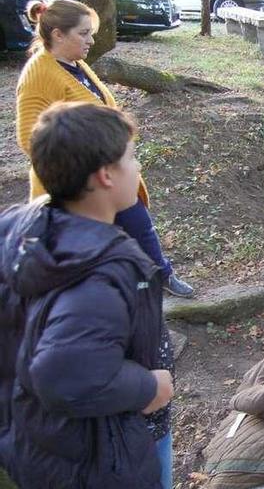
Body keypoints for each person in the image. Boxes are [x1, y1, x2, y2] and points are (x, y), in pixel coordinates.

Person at [1, 102, 173, 488]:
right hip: (102, 451)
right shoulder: (100, 272)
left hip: (41, 440)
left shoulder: (20, 230)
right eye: (132, 158)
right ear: (105, 175)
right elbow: (63, 373)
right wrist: (150, 386)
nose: (138, 168)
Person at [16, 0, 194, 298]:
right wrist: (87, 166)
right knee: (100, 247)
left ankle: (158, 275)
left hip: (111, 176)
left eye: (91, 33)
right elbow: (29, 138)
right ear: (58, 34)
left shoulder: (76, 64)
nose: (91, 40)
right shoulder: (39, 72)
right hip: (78, 187)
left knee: (138, 225)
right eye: (84, 33)